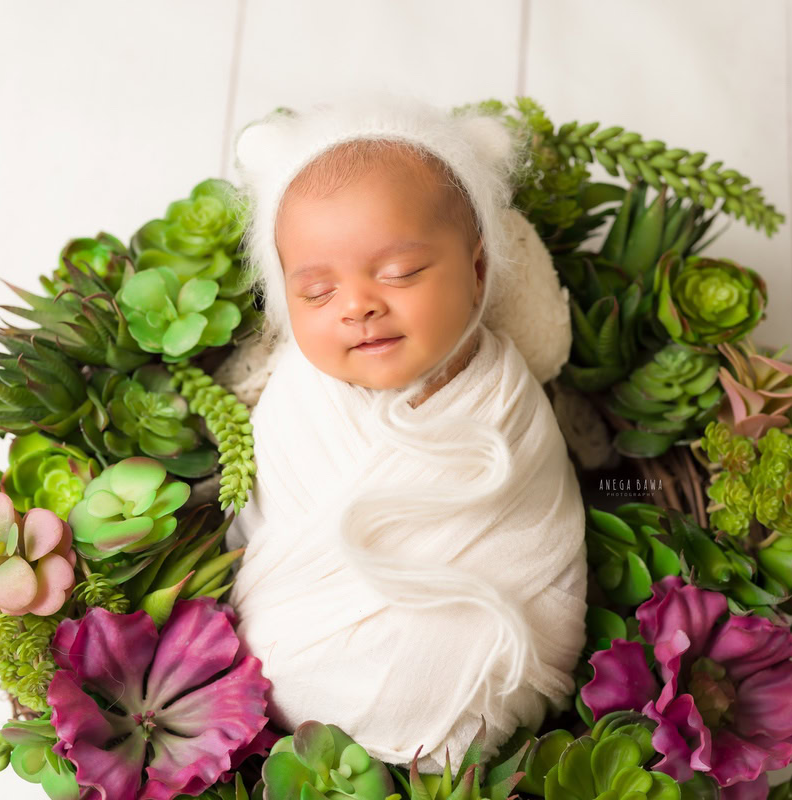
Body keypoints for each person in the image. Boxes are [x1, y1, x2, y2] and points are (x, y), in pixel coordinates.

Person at [224, 90, 588, 774]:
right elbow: (255, 528)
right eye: (317, 292)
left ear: (477, 272)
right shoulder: (294, 401)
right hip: (303, 673)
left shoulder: (505, 400)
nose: (359, 304)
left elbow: (538, 525)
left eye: (400, 273)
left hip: (497, 676)